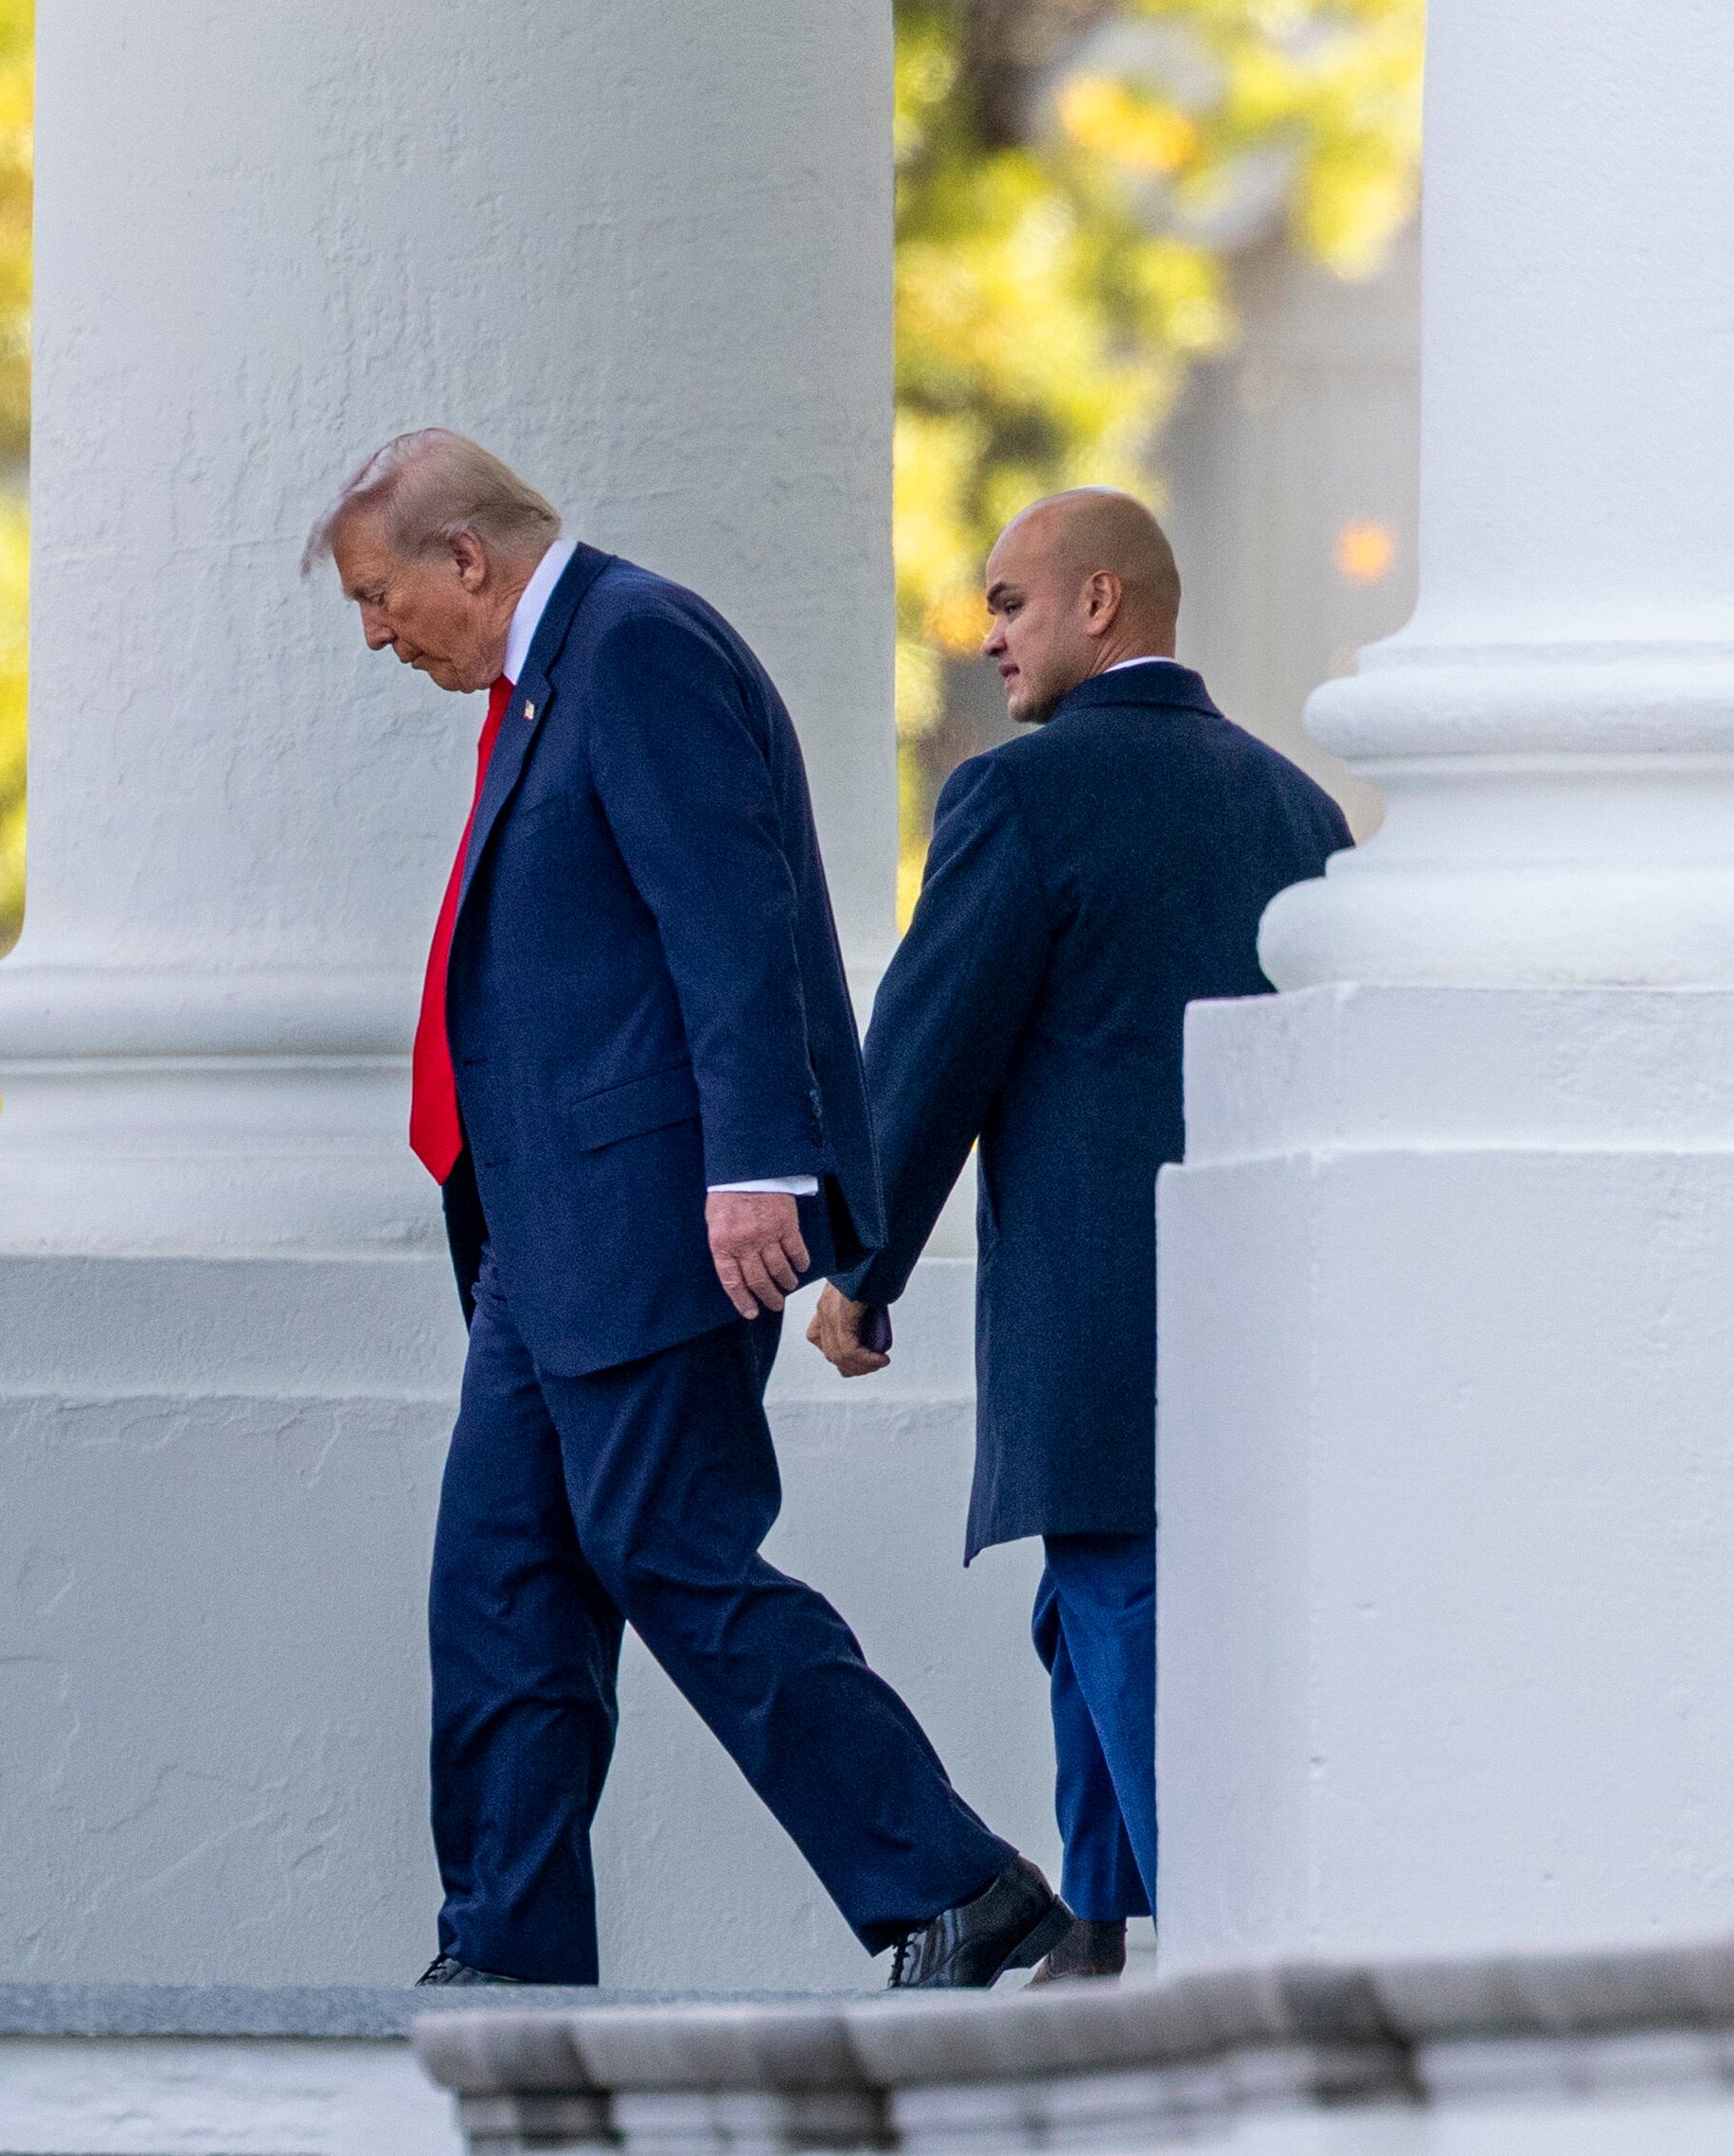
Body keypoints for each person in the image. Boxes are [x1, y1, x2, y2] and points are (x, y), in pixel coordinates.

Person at [307, 428, 1063, 1990]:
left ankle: (958, 1884)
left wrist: (754, 1170)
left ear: (469, 559)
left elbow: (733, 915)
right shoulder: (551, 672)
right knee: (499, 1583)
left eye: (382, 596)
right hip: (545, 1237)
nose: (376, 634)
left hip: (653, 1216)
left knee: (675, 1554)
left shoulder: (634, 643)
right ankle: (507, 1953)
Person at [808, 489, 1352, 1982]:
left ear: (1099, 602)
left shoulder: (1016, 795)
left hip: (1092, 1291)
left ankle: (1205, 1938)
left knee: (1116, 1587)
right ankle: (1097, 1921)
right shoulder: (1294, 805)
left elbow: (931, 1044)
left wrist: (859, 1265)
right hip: (1255, 1285)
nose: (985, 637)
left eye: (1008, 603)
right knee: (1092, 1594)